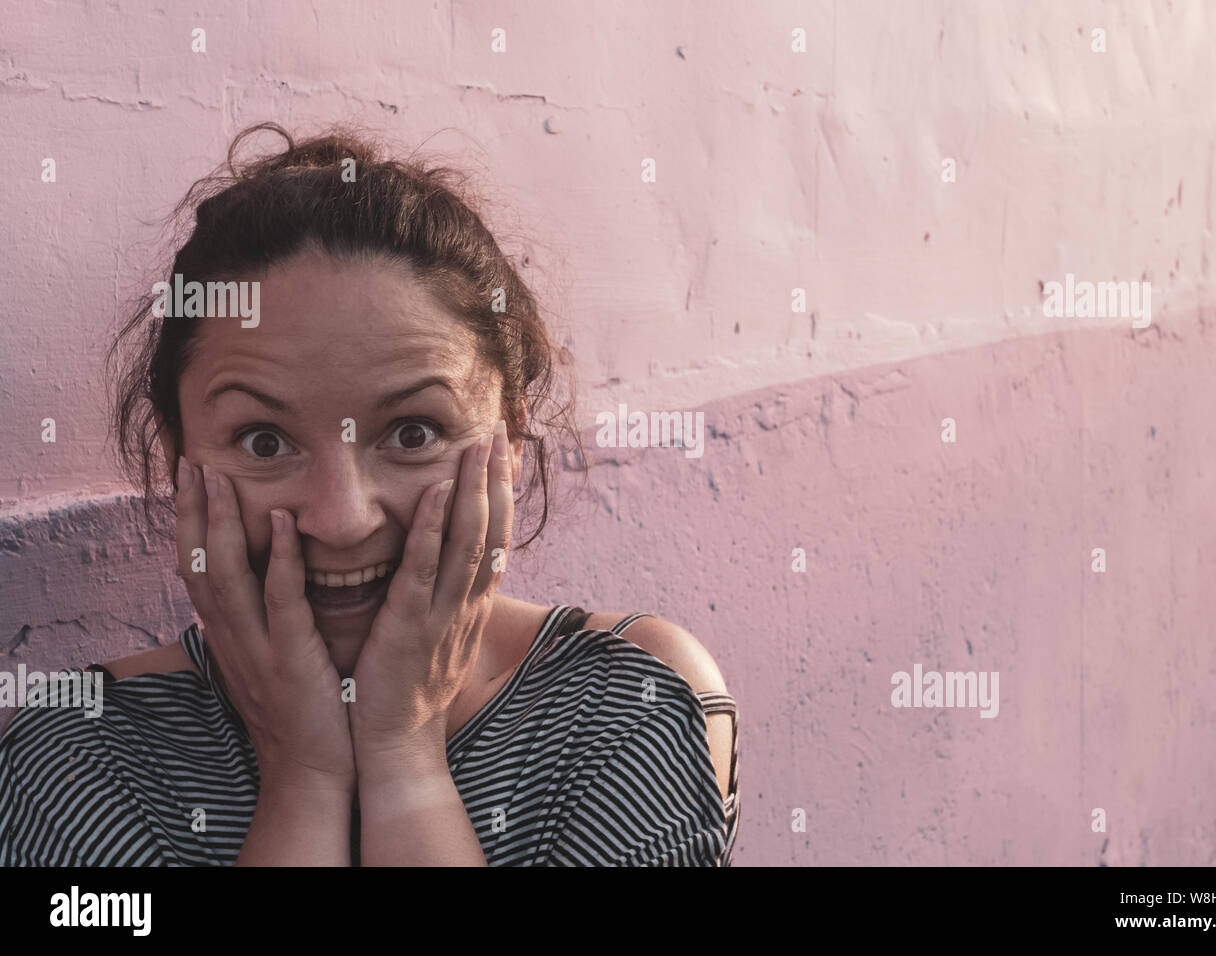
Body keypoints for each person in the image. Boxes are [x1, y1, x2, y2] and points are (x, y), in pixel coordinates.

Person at [0, 122, 738, 866]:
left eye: (413, 432)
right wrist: (304, 777)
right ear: (178, 453)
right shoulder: (71, 761)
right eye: (264, 441)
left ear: (511, 442)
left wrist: (403, 759)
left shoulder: (633, 700)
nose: (344, 519)